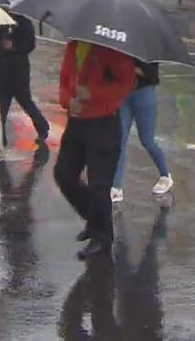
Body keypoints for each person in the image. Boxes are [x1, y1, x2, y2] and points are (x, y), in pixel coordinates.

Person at [54, 40, 138, 259]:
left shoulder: (112, 49)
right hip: (77, 121)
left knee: (99, 184)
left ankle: (103, 237)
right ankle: (95, 221)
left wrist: (92, 94)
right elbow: (64, 80)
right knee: (64, 174)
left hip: (103, 123)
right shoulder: (73, 46)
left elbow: (126, 84)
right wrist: (68, 101)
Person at [111, 59, 172, 203]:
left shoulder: (146, 48)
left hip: (144, 95)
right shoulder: (119, 45)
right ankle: (116, 187)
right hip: (122, 94)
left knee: (147, 140)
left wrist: (132, 69)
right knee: (120, 140)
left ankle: (165, 175)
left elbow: (152, 76)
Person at [0, 13, 49, 146]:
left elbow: (30, 44)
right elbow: (0, 41)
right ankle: (0, 138)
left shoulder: (24, 23)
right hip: (3, 69)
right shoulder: (5, 21)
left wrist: (14, 47)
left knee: (25, 101)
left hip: (18, 69)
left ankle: (42, 127)